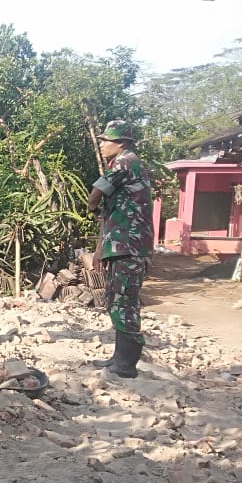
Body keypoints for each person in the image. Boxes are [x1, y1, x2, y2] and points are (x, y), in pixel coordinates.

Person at [88, 119, 153, 378]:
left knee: (124, 301)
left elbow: (96, 192)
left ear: (121, 143)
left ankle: (126, 365)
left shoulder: (126, 162)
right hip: (121, 244)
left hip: (130, 246)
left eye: (106, 140)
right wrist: (99, 250)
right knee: (116, 299)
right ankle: (119, 358)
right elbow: (110, 215)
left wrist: (91, 206)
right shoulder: (123, 164)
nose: (102, 144)